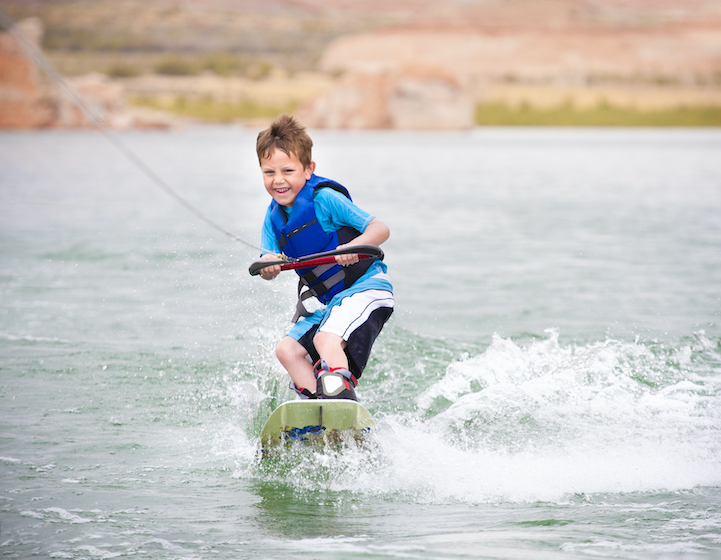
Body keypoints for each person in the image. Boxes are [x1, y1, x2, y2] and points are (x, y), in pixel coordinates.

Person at [255, 114, 394, 401]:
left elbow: (380, 229)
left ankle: (341, 403)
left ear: (308, 170)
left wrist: (352, 247)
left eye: (288, 171)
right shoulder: (273, 220)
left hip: (366, 289)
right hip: (328, 303)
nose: (278, 180)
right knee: (287, 350)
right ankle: (319, 406)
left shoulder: (324, 199)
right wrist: (268, 267)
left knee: (324, 338)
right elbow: (267, 256)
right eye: (269, 173)